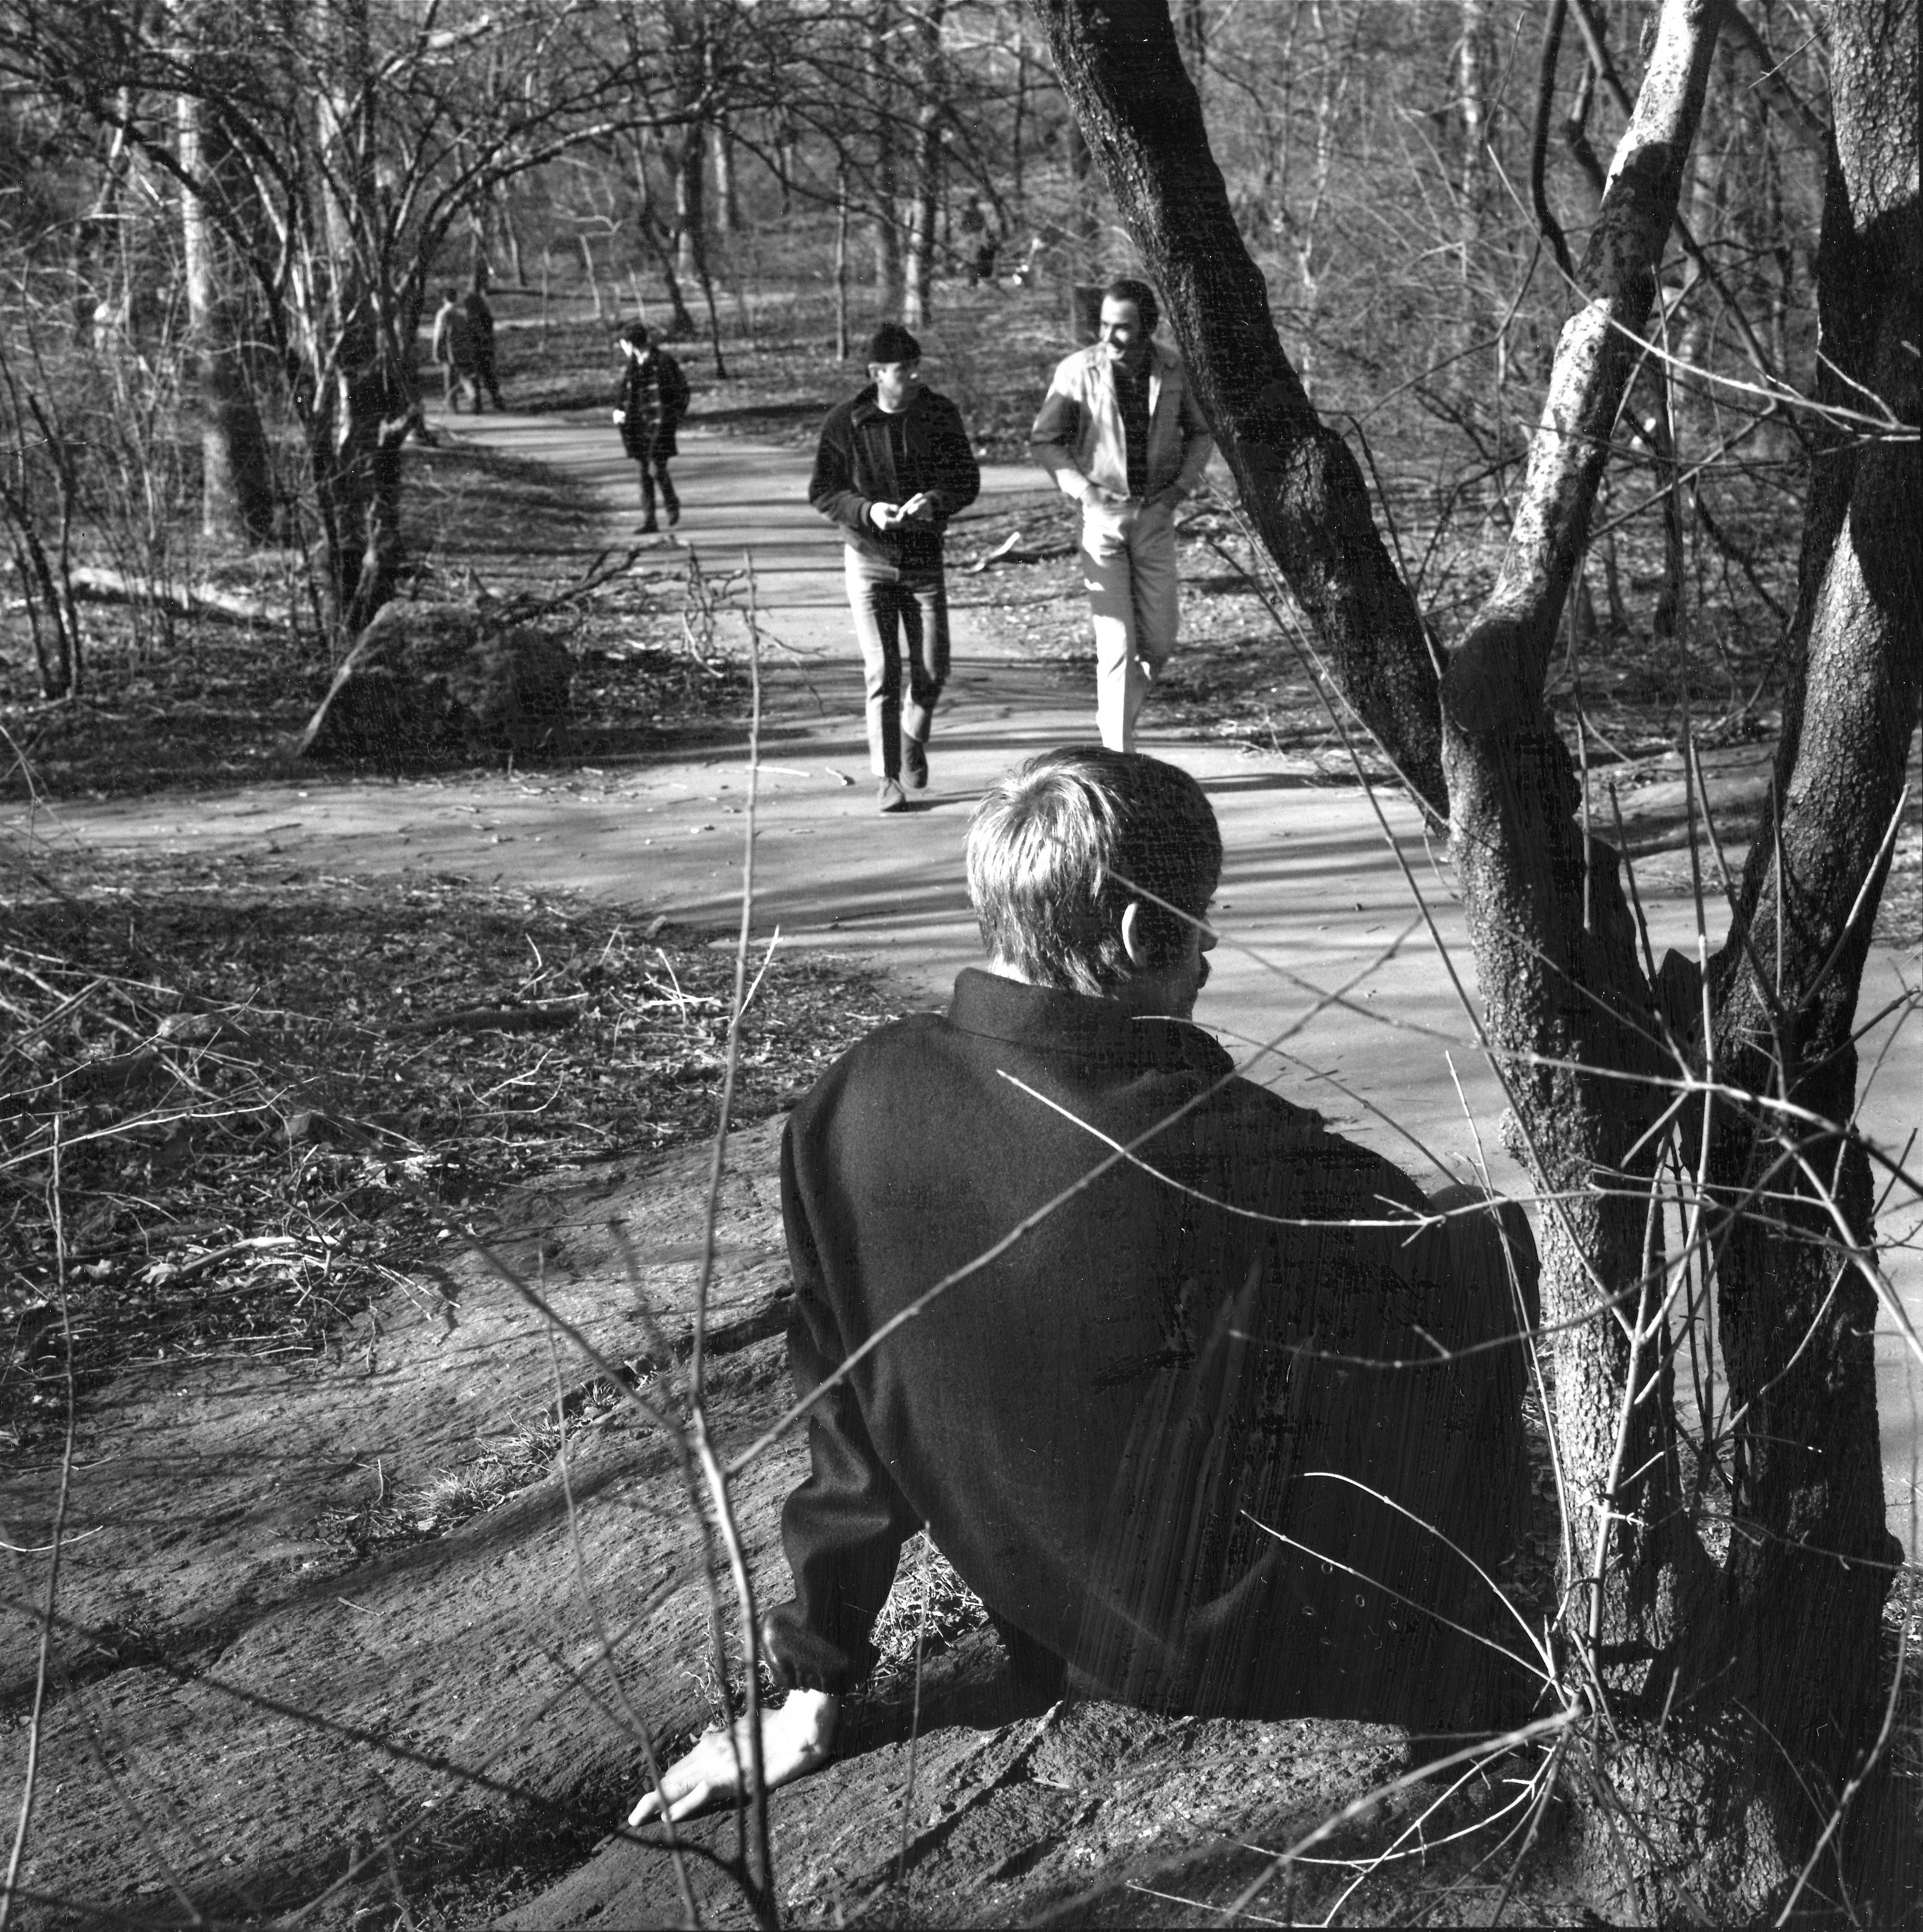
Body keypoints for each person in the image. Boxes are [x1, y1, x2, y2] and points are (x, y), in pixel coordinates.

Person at [633, 747, 1542, 1826]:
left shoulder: (851, 1101)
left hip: (1055, 1623)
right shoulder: (1223, 1145)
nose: (1207, 942)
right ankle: (1480, 1674)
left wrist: (813, 1675)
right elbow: (1481, 1299)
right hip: (1262, 1647)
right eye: (1197, 913)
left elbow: (844, 1406)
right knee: (1474, 1266)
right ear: (1132, 935)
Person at [1031, 279, 1215, 752]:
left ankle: (1113, 716)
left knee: (1160, 641)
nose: (1111, 337)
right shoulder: (1077, 371)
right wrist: (1083, 490)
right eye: (1105, 326)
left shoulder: (1175, 368)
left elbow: (1200, 433)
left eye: (1124, 328)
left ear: (1148, 328)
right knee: (1116, 646)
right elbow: (1045, 439)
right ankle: (1120, 757)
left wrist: (1179, 489)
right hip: (1103, 522)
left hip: (1155, 516)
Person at [807, 322, 981, 814]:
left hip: (924, 558)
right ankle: (886, 778)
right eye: (903, 370)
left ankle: (912, 734)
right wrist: (867, 511)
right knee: (883, 668)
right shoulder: (846, 422)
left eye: (915, 367)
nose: (913, 376)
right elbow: (822, 491)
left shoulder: (939, 414)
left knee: (932, 667)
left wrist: (936, 500)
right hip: (868, 560)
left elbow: (966, 480)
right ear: (877, 373)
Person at [612, 323, 690, 535]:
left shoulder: (663, 362)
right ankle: (650, 521)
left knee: (657, 470)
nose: (622, 349)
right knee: (643, 474)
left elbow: (682, 391)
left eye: (623, 344)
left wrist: (674, 416)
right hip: (638, 428)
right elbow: (625, 393)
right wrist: (619, 410)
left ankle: (671, 502)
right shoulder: (633, 365)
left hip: (660, 426)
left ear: (630, 344)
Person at [429, 285, 477, 413]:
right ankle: (474, 399)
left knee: (449, 378)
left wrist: (436, 351)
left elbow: (439, 333)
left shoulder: (443, 313)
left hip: (448, 350)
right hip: (463, 349)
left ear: (444, 298)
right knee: (465, 376)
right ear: (456, 298)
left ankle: (453, 407)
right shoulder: (461, 313)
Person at [463, 280, 504, 411]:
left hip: (475, 350)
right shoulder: (486, 316)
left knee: (475, 375)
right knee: (489, 374)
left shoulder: (470, 320)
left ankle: (477, 402)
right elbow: (490, 332)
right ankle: (496, 400)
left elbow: (468, 335)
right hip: (487, 349)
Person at [960, 193, 998, 287]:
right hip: (974, 236)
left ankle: (976, 279)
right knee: (972, 258)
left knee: (975, 258)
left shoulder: (977, 212)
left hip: (978, 235)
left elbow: (984, 225)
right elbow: (964, 225)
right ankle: (973, 280)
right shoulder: (969, 213)